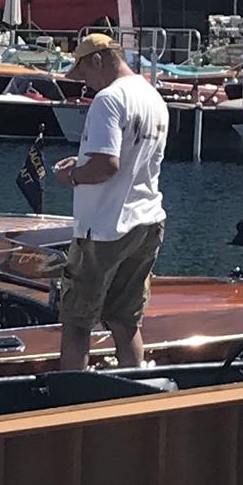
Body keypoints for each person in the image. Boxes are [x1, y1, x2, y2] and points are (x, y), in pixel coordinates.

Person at [52, 32, 169, 371]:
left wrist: (71, 176)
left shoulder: (109, 99)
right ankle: (132, 390)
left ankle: (71, 400)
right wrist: (83, 164)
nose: (86, 84)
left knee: (77, 321)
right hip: (146, 221)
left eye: (85, 73)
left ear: (99, 60)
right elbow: (129, 160)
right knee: (124, 318)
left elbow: (107, 166)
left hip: (104, 228)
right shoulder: (153, 97)